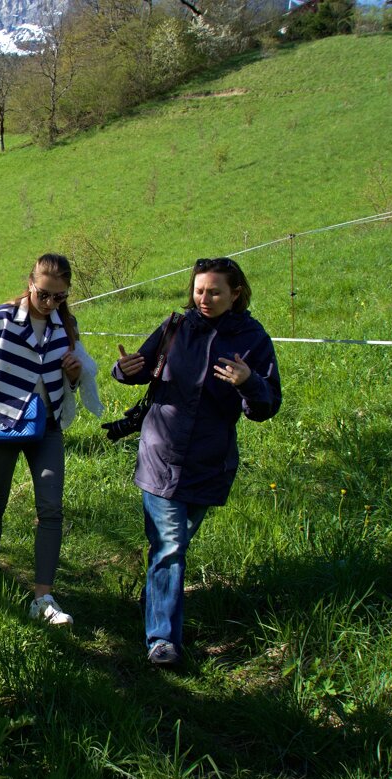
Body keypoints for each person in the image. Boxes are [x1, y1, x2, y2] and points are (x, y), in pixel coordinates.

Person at [112, 257, 281, 667]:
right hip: (161, 452)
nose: (204, 298)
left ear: (236, 293)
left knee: (173, 545)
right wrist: (123, 369)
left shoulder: (253, 339)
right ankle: (163, 640)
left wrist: (249, 383)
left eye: (215, 291)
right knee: (170, 546)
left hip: (210, 460)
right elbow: (141, 367)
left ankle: (155, 600)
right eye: (199, 290)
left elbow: (267, 404)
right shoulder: (176, 326)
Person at [0, 254, 86, 626]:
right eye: (44, 294)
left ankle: (43, 597)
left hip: (46, 428)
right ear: (30, 282)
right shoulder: (0, 319)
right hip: (3, 424)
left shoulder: (65, 325)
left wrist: (74, 376)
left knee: (51, 507)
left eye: (59, 297)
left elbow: (68, 384)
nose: (50, 304)